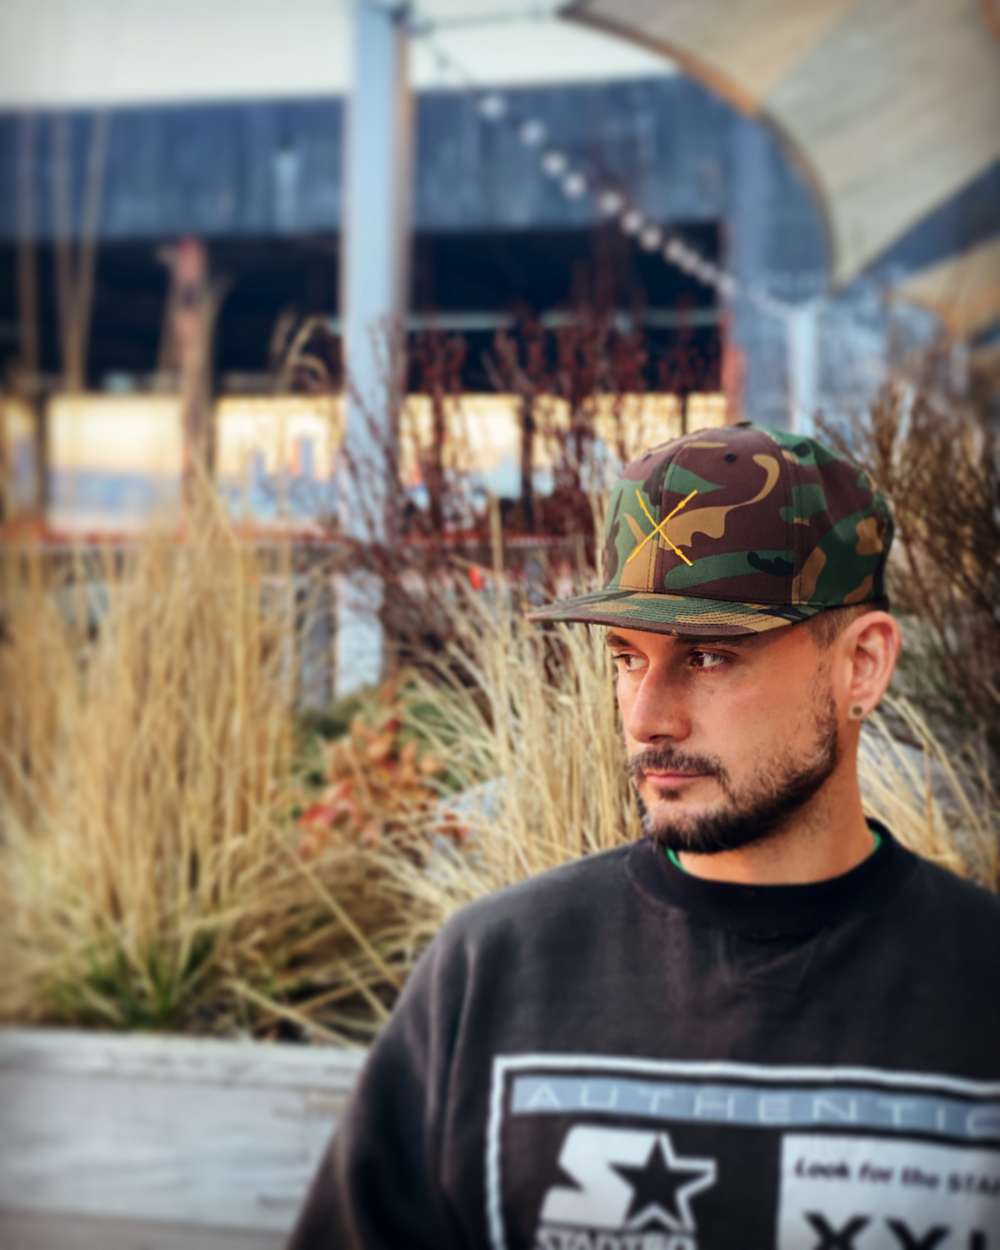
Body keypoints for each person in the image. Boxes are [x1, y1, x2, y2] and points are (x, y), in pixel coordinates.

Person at [288, 423, 1000, 1250]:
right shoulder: (494, 971)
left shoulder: (977, 986)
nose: (646, 717)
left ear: (862, 666)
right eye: (627, 657)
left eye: (708, 657)